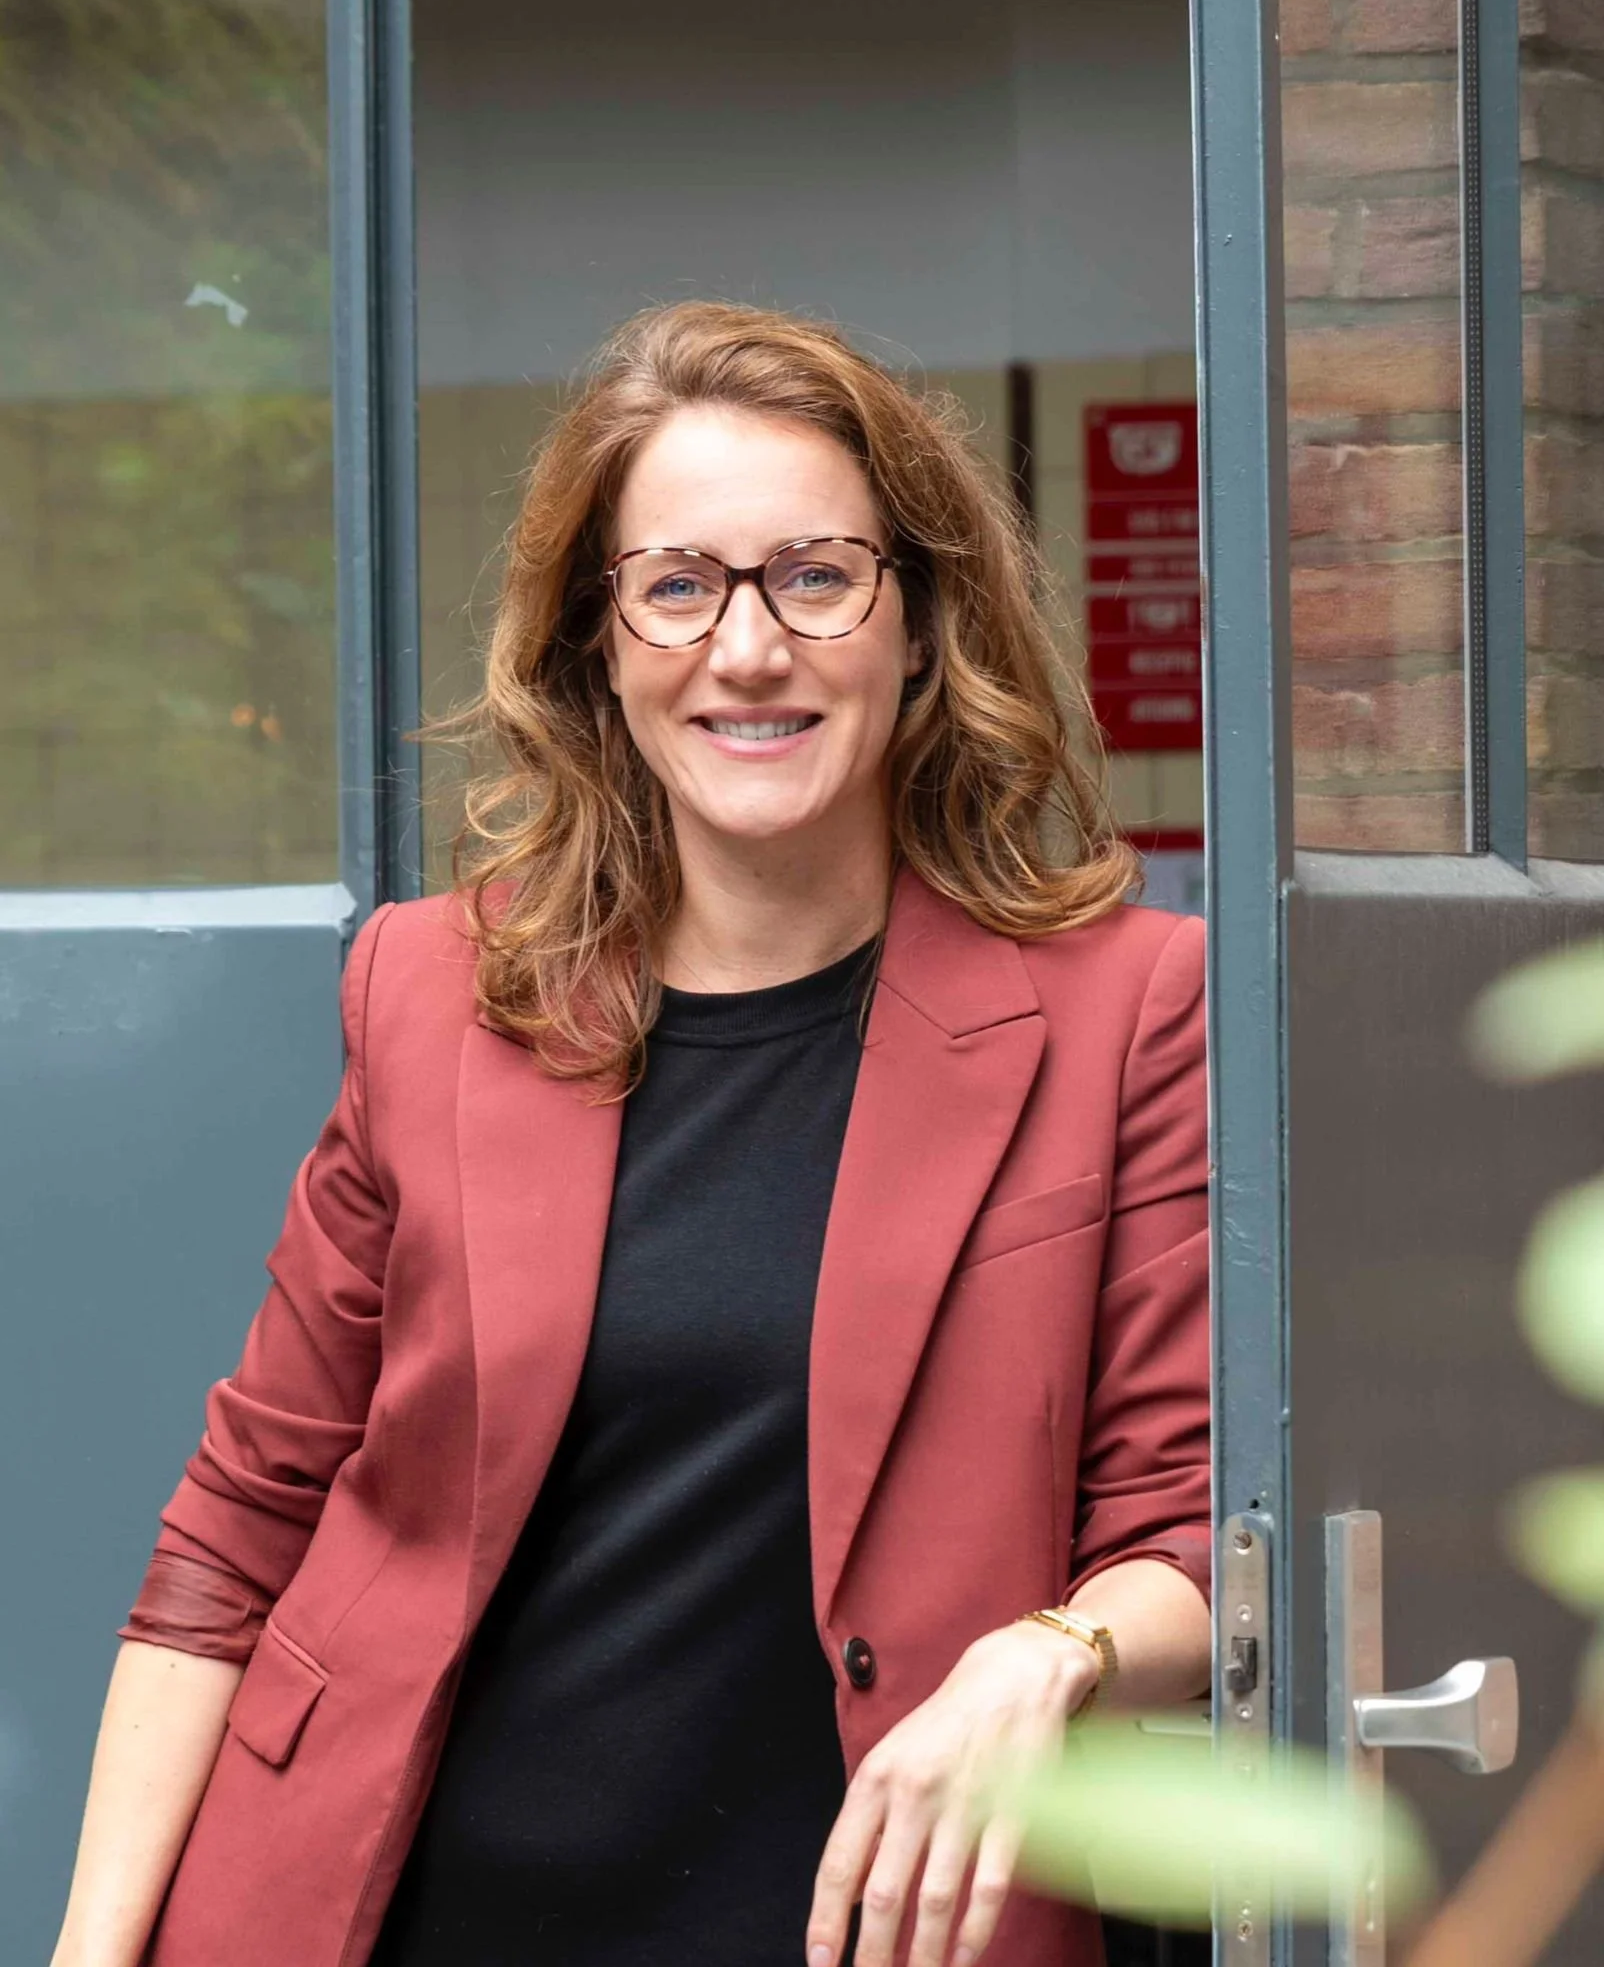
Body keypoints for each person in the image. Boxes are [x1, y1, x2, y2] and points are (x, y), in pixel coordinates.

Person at [51, 301, 1211, 1967]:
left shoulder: (1125, 1012)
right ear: (599, 642)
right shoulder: (427, 991)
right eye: (678, 586)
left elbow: (1185, 1529)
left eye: (817, 575)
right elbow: (244, 1522)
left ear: (918, 619)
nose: (749, 650)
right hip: (392, 1909)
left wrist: (1049, 1653)